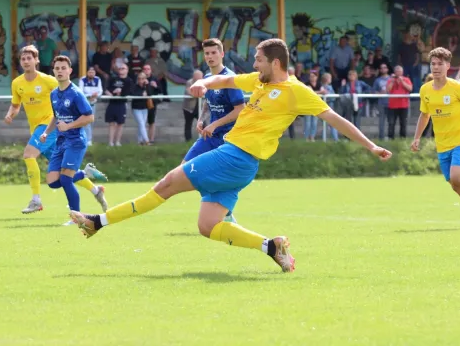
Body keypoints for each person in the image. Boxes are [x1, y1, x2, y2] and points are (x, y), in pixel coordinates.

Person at [69, 38, 392, 273]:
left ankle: (98, 222)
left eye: (258, 60)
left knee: (166, 185)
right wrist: (204, 84)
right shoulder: (261, 83)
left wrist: (371, 146)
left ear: (275, 63)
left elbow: (336, 119)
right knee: (208, 226)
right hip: (239, 163)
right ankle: (271, 246)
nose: (254, 65)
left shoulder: (297, 92)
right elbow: (224, 78)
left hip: (235, 158)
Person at [5, 45, 107, 214]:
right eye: (23, 58)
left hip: (49, 126)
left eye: (29, 58)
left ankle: (36, 199)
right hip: (39, 131)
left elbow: (68, 90)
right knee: (62, 174)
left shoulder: (48, 80)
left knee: (29, 155)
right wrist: (10, 114)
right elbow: (15, 106)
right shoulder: (17, 83)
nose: (26, 61)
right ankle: (95, 189)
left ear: (37, 60)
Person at [411, 47, 460, 228]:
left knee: (457, 177)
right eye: (433, 64)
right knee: (456, 184)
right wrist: (417, 138)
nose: (436, 67)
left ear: (448, 66)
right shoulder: (425, 90)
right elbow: (424, 115)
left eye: (440, 64)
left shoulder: (458, 87)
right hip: (442, 144)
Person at [183, 38, 245, 223]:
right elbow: (209, 104)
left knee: (207, 174)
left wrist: (215, 124)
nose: (210, 56)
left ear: (222, 54)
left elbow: (240, 109)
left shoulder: (230, 79)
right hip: (209, 134)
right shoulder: (207, 79)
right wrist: (202, 119)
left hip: (227, 138)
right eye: (207, 53)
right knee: (184, 169)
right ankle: (224, 210)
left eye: (213, 53)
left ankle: (224, 209)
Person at [40, 56, 104, 221]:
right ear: (53, 71)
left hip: (75, 141)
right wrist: (47, 132)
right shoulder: (54, 93)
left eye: (63, 68)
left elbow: (89, 117)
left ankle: (77, 217)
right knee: (53, 182)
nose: (60, 71)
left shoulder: (76, 93)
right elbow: (56, 116)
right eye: (57, 68)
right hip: (60, 142)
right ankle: (85, 173)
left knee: (66, 180)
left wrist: (68, 126)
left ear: (70, 71)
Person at [78, 66, 103, 147]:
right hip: (85, 102)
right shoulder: (82, 79)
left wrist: (96, 95)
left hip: (93, 102)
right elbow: (80, 91)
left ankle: (88, 138)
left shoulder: (97, 79)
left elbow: (100, 90)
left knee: (91, 121)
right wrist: (90, 95)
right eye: (90, 72)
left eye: (93, 72)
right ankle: (88, 140)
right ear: (87, 72)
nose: (91, 74)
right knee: (87, 121)